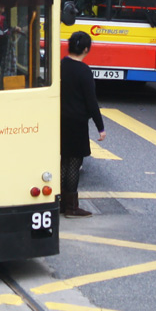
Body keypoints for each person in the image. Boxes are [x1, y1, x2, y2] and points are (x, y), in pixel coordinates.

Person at [60, 31, 105, 218]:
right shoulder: (84, 71)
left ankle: (60, 203)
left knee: (63, 160)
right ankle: (71, 207)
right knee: (74, 162)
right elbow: (91, 102)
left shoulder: (61, 65)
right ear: (86, 49)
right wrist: (100, 127)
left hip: (60, 120)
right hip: (77, 122)